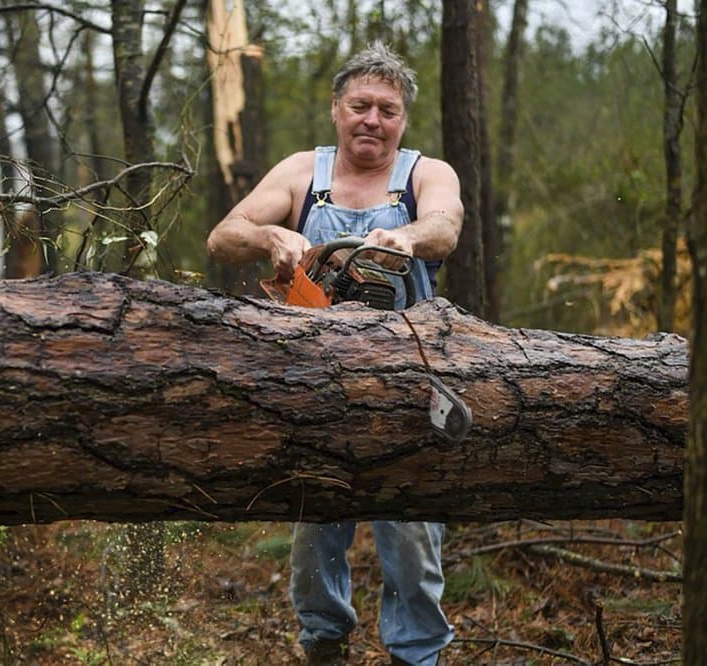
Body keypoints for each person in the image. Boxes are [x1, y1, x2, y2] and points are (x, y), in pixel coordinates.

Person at [206, 42, 463, 665]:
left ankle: (416, 656)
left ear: (402, 119)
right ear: (336, 109)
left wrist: (402, 235)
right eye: (360, 105)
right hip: (316, 390)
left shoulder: (425, 174)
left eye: (387, 109)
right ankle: (324, 647)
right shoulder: (303, 173)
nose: (372, 119)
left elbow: (445, 228)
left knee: (411, 538)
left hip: (410, 385)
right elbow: (222, 237)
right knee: (315, 533)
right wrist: (271, 234)